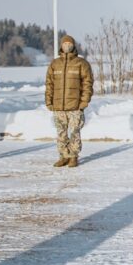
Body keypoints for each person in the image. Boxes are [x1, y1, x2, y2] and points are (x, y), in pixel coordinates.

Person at [45, 34, 93, 168]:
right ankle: (63, 156)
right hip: (58, 106)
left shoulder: (81, 63)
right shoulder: (55, 64)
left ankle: (73, 156)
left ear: (73, 46)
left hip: (75, 106)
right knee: (61, 133)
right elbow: (49, 84)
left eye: (69, 44)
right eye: (65, 44)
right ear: (61, 46)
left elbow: (87, 84)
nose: (67, 46)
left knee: (74, 132)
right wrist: (49, 101)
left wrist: (84, 102)